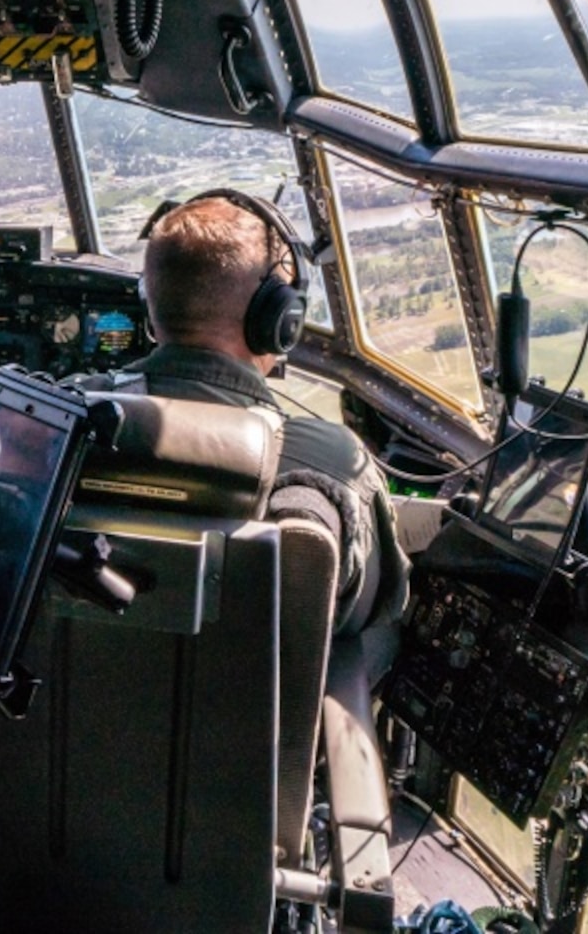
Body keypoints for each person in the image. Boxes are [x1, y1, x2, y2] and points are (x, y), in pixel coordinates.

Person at [68, 190, 407, 635]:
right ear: (278, 319)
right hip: (250, 701)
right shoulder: (329, 462)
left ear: (150, 306)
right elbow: (369, 612)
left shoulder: (53, 419)